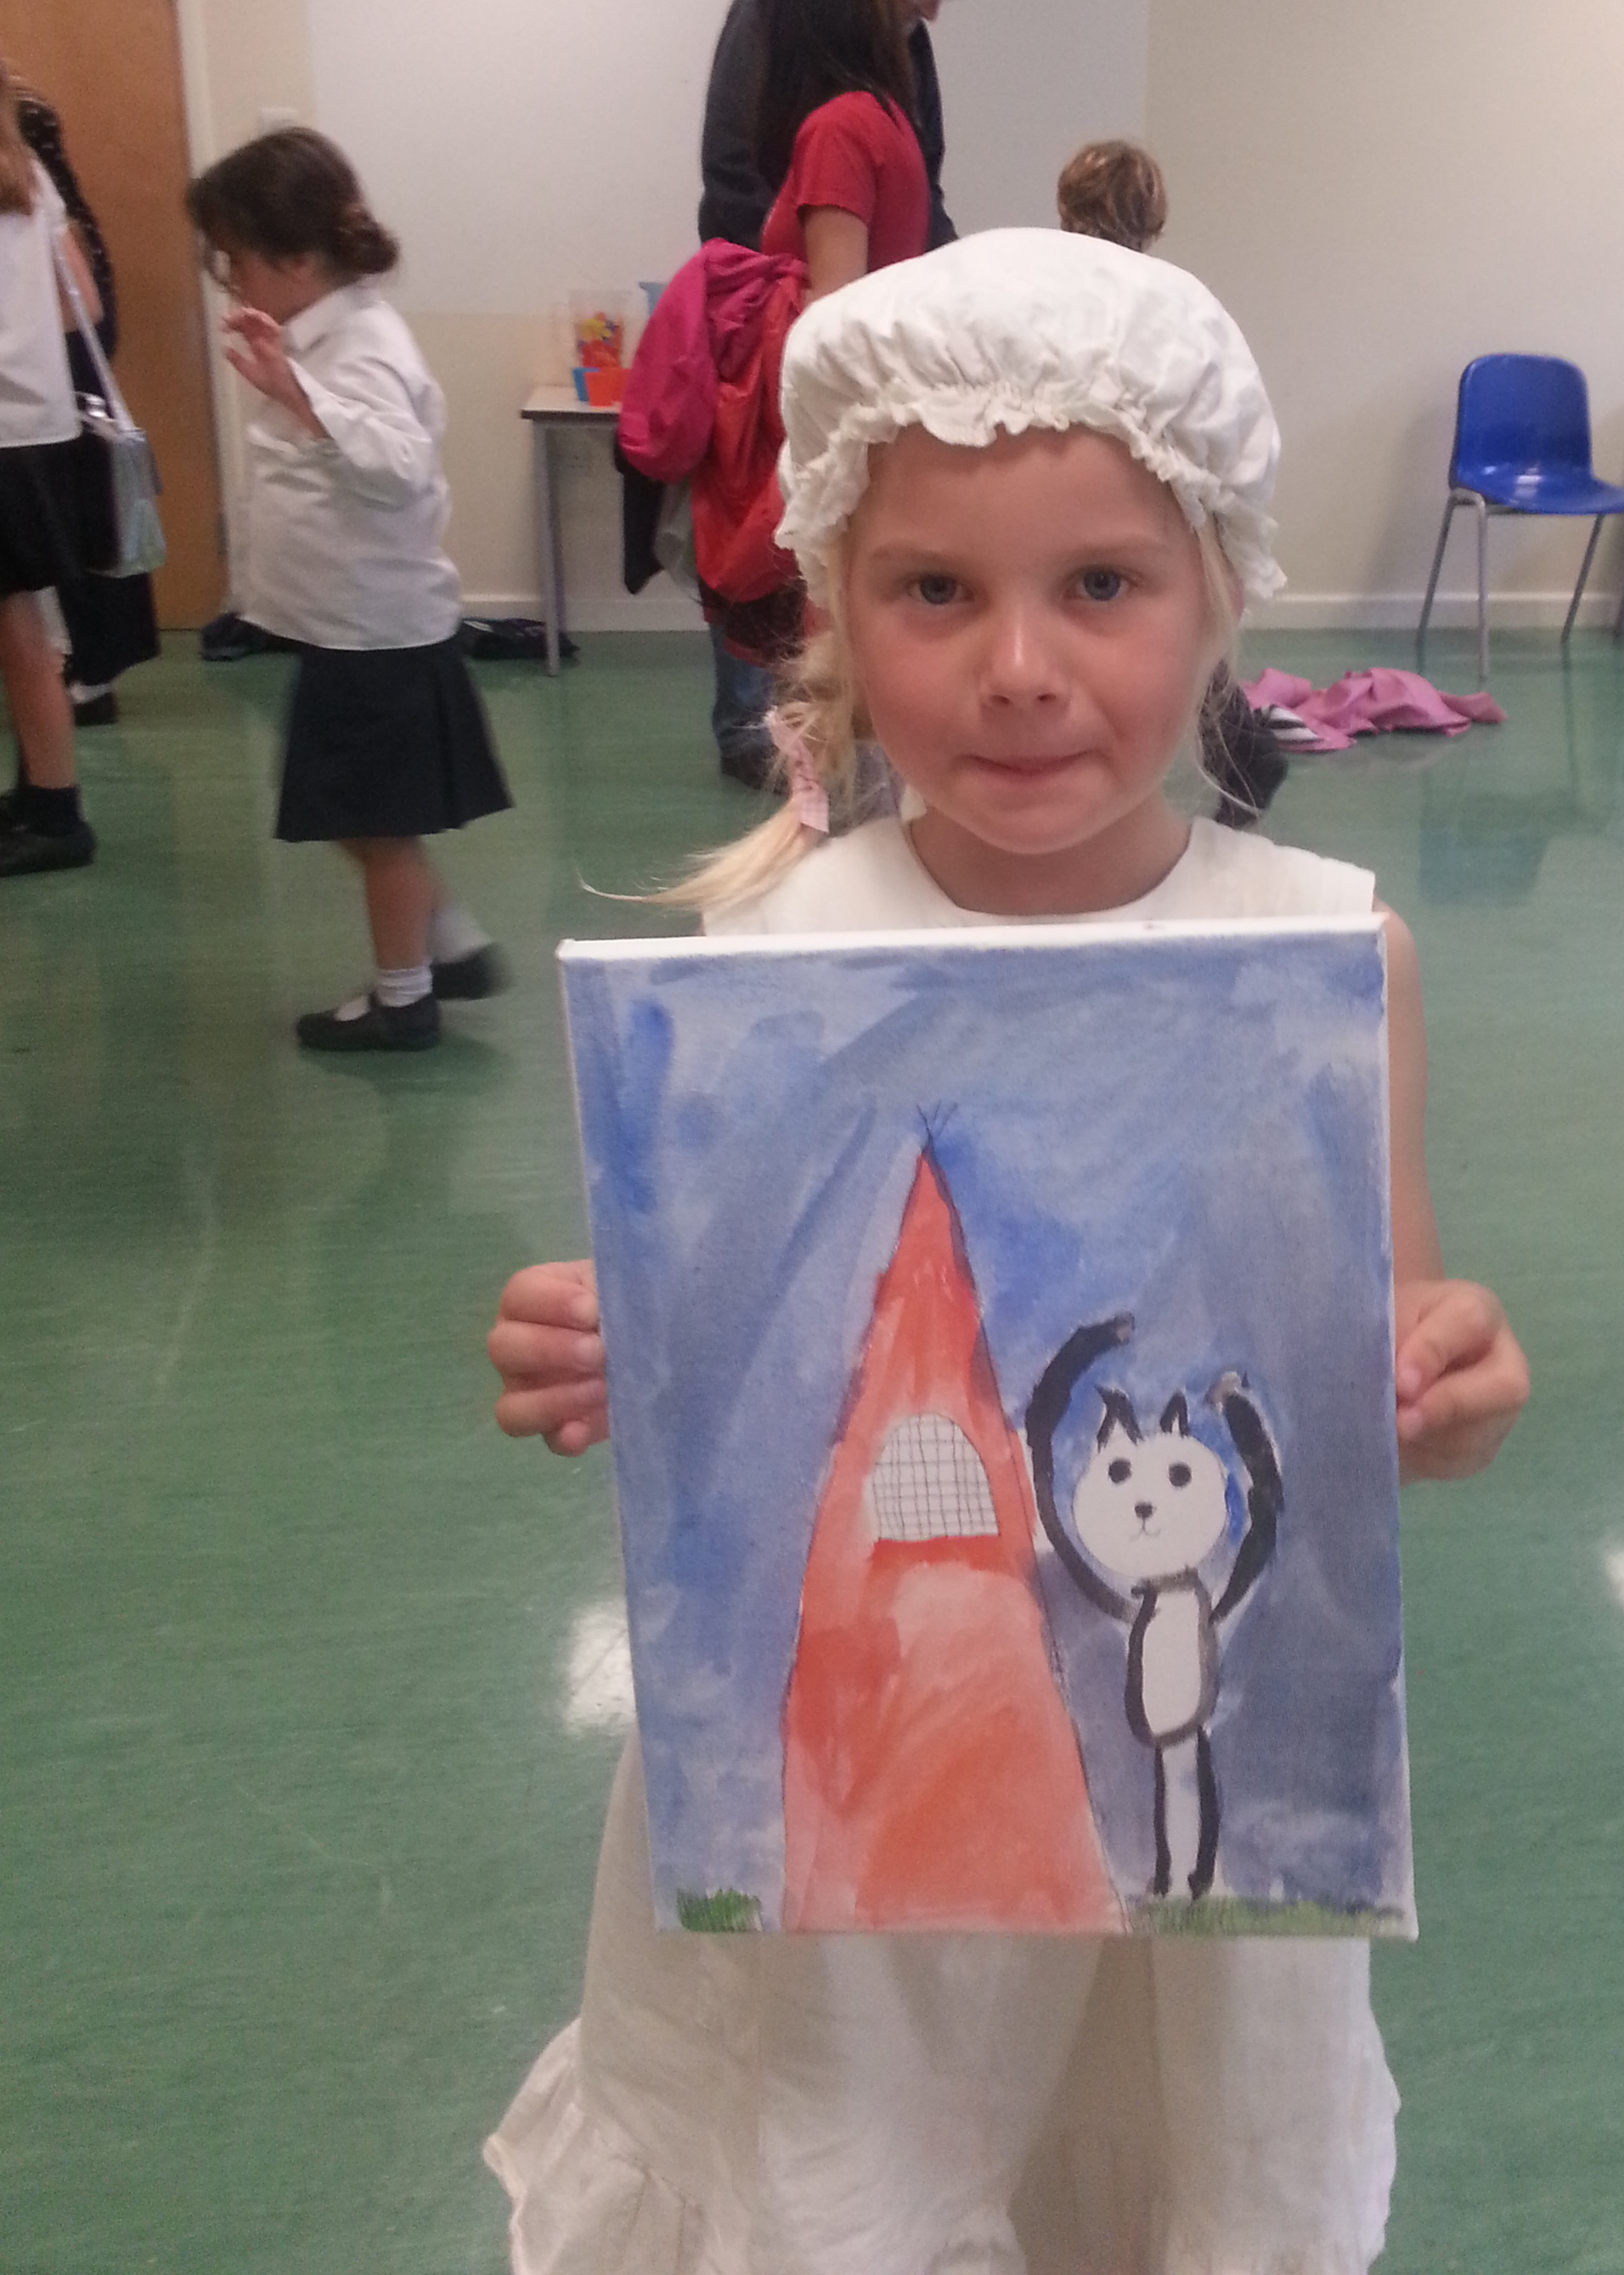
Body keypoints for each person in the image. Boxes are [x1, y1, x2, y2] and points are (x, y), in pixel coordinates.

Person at [482, 229, 1530, 2273]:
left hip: (1189, 1790)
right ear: (838, 612)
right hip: (861, 1807)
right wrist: (609, 1345)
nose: (1022, 666)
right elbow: (719, 1368)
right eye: (936, 591)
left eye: (1101, 586)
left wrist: (1452, 1376)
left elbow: (1392, 1372)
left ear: (1218, 596)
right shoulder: (773, 960)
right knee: (862, 2174)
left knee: (1166, 2168)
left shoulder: (1325, 955)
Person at [184, 128, 511, 1051]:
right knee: (350, 809)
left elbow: (398, 466)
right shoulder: (318, 336)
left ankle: (405, 1000)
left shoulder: (361, 347)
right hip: (341, 633)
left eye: (237, 260)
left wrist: (300, 395)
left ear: (296, 258)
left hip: (378, 640)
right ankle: (446, 941)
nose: (231, 281)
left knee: (379, 827)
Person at [702, 0, 931, 782]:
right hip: (874, 421)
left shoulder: (835, 129)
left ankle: (841, 838)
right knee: (854, 684)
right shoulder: (882, 117)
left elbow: (833, 315)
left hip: (843, 430)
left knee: (834, 689)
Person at [1054, 135, 1283, 830]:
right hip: (1169, 497)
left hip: (1083, 493)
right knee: (1170, 630)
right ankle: (1236, 743)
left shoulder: (1050, 294)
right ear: (1154, 218)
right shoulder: (1179, 303)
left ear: (1065, 208)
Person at [6, 71, 161, 723]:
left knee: (38, 575)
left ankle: (86, 672)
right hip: (53, 367)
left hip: (38, 383)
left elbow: (82, 306)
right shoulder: (43, 182)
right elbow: (89, 307)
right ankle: (89, 672)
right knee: (65, 538)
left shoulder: (30, 179)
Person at [699, 0, 968, 254]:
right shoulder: (778, 7)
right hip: (767, 261)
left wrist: (954, 263)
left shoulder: (909, 38)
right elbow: (731, 164)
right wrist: (789, 266)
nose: (930, 12)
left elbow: (923, 180)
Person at [0, 65, 103, 876]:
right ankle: (39, 793)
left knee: (21, 632)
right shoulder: (26, 172)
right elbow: (84, 306)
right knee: (23, 625)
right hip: (38, 428)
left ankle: (58, 814)